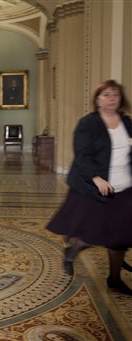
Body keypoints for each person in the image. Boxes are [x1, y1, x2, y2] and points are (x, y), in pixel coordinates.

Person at [47, 79, 132, 295]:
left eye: (115, 94)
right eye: (106, 94)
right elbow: (82, 154)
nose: (111, 99)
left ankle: (114, 279)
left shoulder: (127, 122)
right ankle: (72, 251)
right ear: (97, 100)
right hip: (93, 186)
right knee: (91, 233)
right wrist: (96, 178)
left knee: (120, 237)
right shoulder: (88, 123)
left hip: (124, 186)